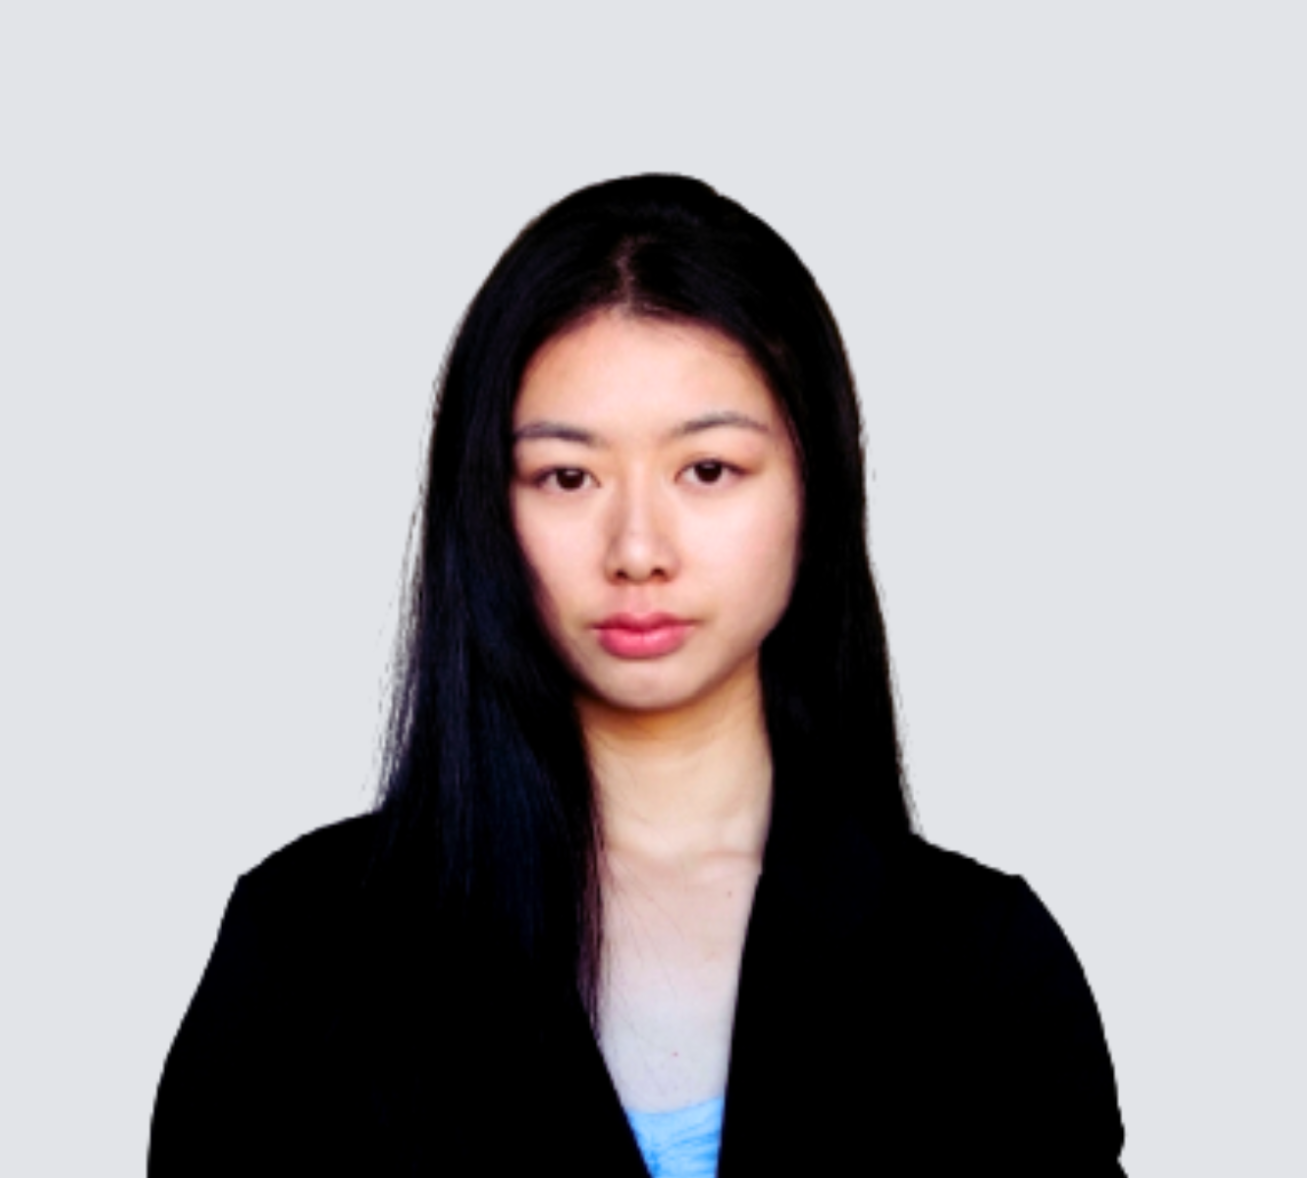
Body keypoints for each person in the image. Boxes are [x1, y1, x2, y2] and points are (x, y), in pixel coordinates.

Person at [148, 174, 1127, 1176]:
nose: (638, 550)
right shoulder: (306, 947)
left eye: (708, 470)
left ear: (815, 487)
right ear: (487, 508)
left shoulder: (980, 965)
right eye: (567, 477)